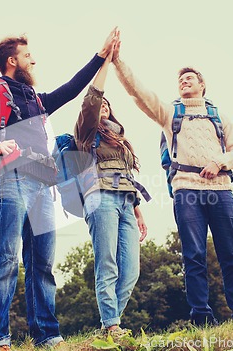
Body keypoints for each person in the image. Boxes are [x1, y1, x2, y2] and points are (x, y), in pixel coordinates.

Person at [0, 28, 118, 350]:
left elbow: (71, 89)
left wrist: (100, 56)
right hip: (9, 178)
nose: (33, 60)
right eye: (27, 56)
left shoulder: (36, 99)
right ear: (12, 61)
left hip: (41, 181)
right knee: (5, 256)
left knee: (42, 264)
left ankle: (48, 336)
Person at [110, 34, 233, 326]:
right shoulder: (169, 114)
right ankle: (201, 317)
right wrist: (117, 62)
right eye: (181, 80)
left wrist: (221, 161)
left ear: (202, 85)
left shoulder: (218, 117)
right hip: (186, 190)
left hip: (221, 189)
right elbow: (139, 93)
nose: (184, 82)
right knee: (193, 256)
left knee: (231, 254)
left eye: (190, 78)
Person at [73, 42, 148, 335]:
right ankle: (112, 325)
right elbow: (91, 100)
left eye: (107, 104)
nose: (103, 105)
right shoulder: (86, 132)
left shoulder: (120, 139)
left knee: (130, 271)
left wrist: (138, 209)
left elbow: (126, 174)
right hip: (99, 198)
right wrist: (106, 63)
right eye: (101, 104)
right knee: (108, 265)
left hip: (126, 202)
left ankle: (107, 326)